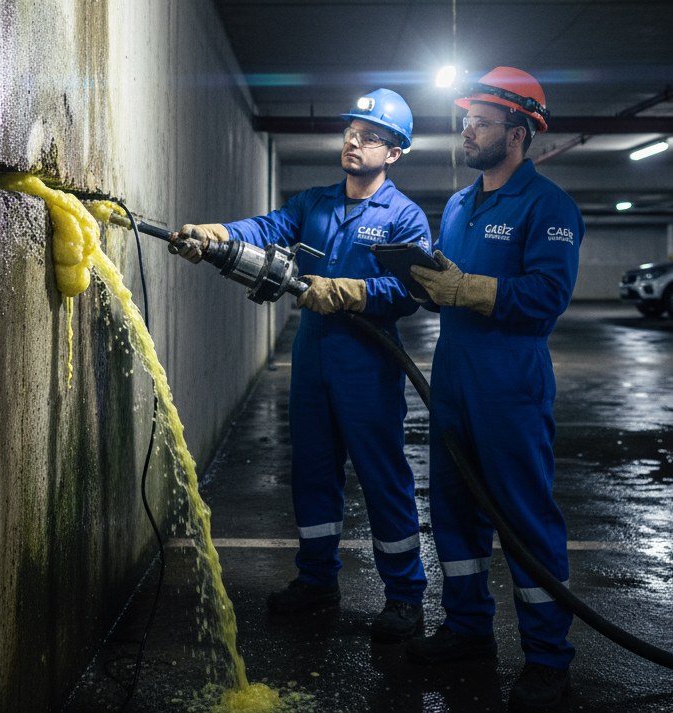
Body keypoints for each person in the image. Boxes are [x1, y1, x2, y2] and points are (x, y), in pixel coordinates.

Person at [169, 89, 430, 643]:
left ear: (396, 152)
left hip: (368, 366)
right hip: (312, 362)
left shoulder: (404, 217)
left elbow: (412, 290)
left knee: (383, 479)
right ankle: (317, 581)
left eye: (371, 136)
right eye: (352, 131)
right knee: (313, 475)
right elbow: (267, 229)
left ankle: (405, 596)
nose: (355, 141)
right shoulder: (315, 203)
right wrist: (218, 233)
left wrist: (353, 290)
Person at [406, 67, 583, 711]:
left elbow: (547, 297)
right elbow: (442, 288)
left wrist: (472, 290)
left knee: (524, 518)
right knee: (453, 511)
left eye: (480, 121)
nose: (467, 129)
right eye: (466, 118)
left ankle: (546, 658)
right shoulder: (458, 204)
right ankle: (467, 627)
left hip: (510, 382)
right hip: (453, 375)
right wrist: (419, 282)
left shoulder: (548, 206)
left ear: (519, 131)